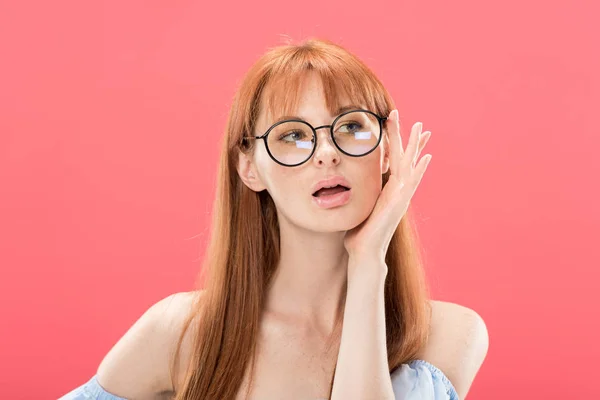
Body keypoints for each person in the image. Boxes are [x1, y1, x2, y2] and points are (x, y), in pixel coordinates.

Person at [59, 37, 489, 400]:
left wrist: (367, 261)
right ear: (249, 168)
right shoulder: (185, 332)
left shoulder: (449, 335)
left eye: (352, 127)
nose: (327, 153)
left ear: (387, 151)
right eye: (293, 135)